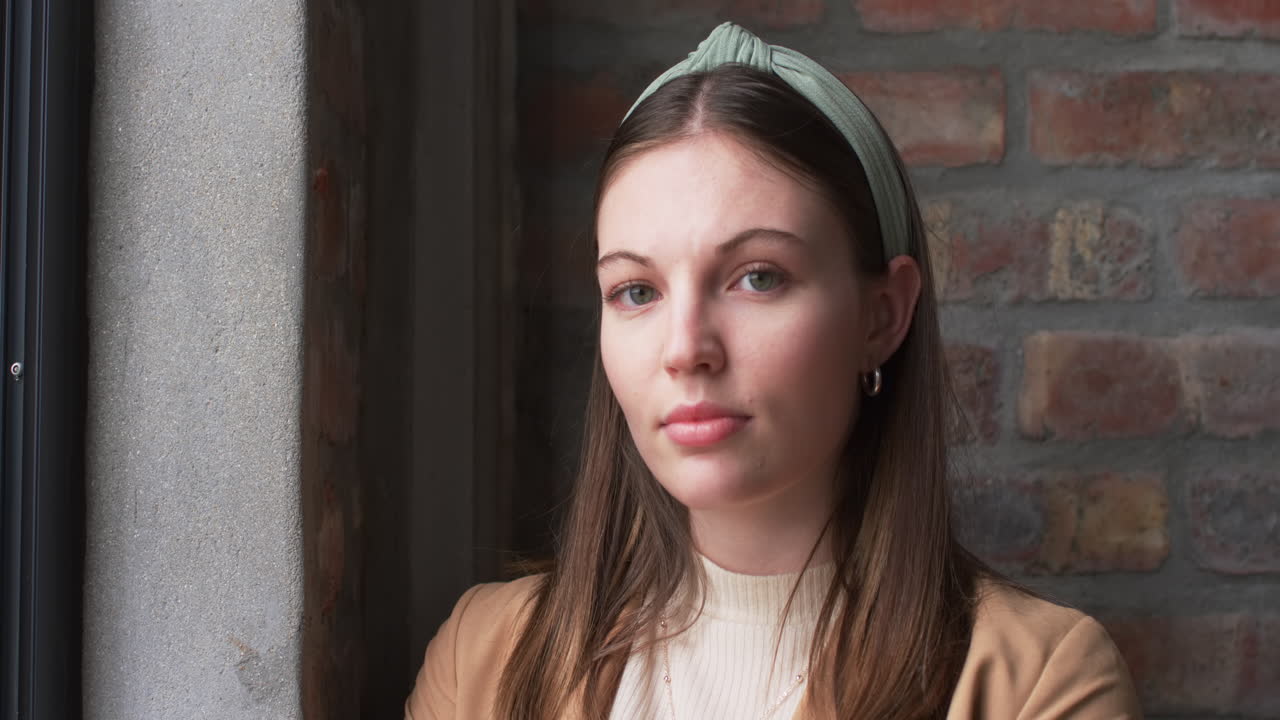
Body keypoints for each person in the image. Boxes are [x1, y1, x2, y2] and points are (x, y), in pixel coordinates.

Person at [405, 22, 1143, 720]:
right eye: (637, 291)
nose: (686, 347)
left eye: (758, 277)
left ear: (882, 316)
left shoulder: (1035, 682)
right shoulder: (485, 661)